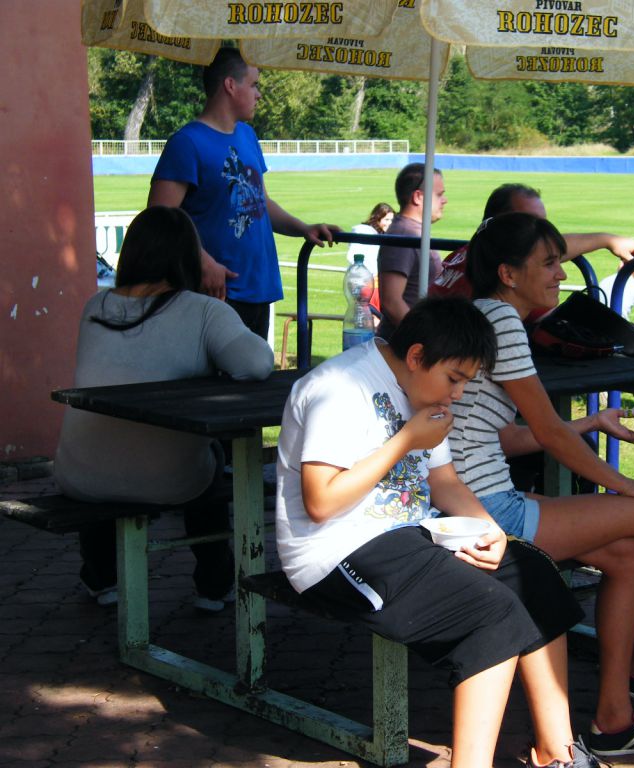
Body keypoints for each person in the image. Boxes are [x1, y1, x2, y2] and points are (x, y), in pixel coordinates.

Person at [275, 296, 599, 768]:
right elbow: (320, 502)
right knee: (493, 613)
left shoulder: (427, 393)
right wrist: (406, 439)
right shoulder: (339, 388)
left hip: (409, 535)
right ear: (416, 356)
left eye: (466, 382)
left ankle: (558, 754)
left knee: (534, 575)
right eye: (454, 378)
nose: (459, 394)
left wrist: (492, 533)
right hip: (333, 554)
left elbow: (443, 482)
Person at [452, 212, 634, 760]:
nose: (562, 275)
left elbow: (506, 436)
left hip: (478, 500)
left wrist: (587, 424)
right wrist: (629, 486)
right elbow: (546, 432)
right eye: (549, 263)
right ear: (508, 274)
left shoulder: (482, 314)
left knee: (628, 555)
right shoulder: (502, 320)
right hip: (488, 511)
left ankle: (615, 717)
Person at [54, 206, 275, 610]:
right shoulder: (203, 310)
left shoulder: (96, 306)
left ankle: (101, 576)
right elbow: (258, 363)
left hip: (78, 473)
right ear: (188, 257)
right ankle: (214, 583)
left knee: (114, 449)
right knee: (213, 459)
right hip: (169, 479)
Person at [148, 47, 336, 339]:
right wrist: (203, 261)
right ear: (230, 85)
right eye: (254, 85)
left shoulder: (247, 135)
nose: (259, 95)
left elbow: (261, 202)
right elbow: (158, 221)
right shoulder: (186, 143)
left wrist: (304, 228)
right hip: (216, 292)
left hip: (258, 288)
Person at [431, 182, 634, 300]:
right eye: (530, 223)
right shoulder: (507, 289)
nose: (542, 233)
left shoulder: (468, 254)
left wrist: (608, 240)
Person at [376, 163, 447, 339]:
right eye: (439, 195)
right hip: (405, 347)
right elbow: (391, 301)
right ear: (418, 197)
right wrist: (425, 340)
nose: (444, 200)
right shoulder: (404, 234)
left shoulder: (413, 231)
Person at [345, 202, 395, 277]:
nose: (390, 223)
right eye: (386, 219)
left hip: (373, 277)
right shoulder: (363, 231)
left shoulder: (383, 234)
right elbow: (352, 256)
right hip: (362, 278)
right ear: (377, 218)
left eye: (392, 220)